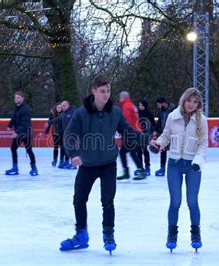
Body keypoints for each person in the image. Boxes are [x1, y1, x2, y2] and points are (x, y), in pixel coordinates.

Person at [60, 74, 149, 254]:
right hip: (87, 165)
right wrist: (74, 154)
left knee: (107, 201)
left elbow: (129, 132)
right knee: (79, 199)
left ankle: (108, 234)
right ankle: (81, 235)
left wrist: (148, 140)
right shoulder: (81, 113)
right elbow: (69, 136)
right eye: (102, 91)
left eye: (108, 91)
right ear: (93, 91)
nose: (106, 94)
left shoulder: (115, 112)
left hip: (108, 164)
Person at [150, 87, 208, 253]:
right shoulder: (172, 116)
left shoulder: (201, 120)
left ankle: (196, 234)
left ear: (198, 104)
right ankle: (172, 235)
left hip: (193, 166)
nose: (191, 104)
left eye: (195, 102)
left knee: (192, 202)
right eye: (189, 100)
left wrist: (198, 162)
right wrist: (159, 143)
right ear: (184, 100)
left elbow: (203, 143)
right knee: (175, 202)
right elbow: (166, 135)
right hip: (174, 164)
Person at [5, 91, 38, 176]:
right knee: (13, 148)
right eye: (15, 97)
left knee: (29, 150)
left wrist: (17, 132)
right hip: (19, 132)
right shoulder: (16, 108)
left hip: (26, 132)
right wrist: (9, 125)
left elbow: (25, 123)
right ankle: (15, 168)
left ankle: (34, 168)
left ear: (22, 99)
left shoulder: (25, 109)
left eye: (18, 97)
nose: (16, 99)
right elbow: (13, 118)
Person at [117, 91, 146, 181]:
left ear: (122, 98)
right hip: (135, 132)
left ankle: (132, 171)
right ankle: (137, 170)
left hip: (131, 133)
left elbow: (126, 120)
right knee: (130, 152)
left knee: (124, 152)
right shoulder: (130, 105)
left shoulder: (126, 106)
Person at [45, 100, 77, 169]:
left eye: (63, 106)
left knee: (71, 148)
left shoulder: (74, 111)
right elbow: (57, 119)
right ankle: (66, 162)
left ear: (67, 105)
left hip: (73, 133)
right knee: (67, 148)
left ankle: (73, 164)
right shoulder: (63, 114)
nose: (62, 108)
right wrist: (49, 122)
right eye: (61, 106)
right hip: (66, 133)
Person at [154, 96, 175, 176]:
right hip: (164, 133)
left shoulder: (173, 110)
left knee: (174, 150)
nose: (158, 106)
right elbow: (159, 121)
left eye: (159, 104)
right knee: (162, 150)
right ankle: (162, 168)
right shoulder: (162, 111)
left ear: (163, 103)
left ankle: (174, 168)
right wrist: (156, 131)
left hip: (173, 133)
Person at [135, 99, 156, 176]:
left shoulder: (148, 113)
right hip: (138, 134)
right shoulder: (137, 112)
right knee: (138, 151)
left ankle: (147, 167)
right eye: (139, 105)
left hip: (146, 134)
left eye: (142, 105)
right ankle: (140, 167)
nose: (140, 107)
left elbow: (153, 123)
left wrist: (151, 132)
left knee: (145, 151)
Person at [46, 103, 65, 167]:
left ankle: (61, 160)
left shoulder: (64, 113)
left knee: (62, 147)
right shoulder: (53, 114)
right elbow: (49, 122)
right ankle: (55, 159)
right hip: (55, 133)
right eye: (57, 107)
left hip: (63, 133)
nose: (59, 109)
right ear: (56, 108)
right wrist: (47, 130)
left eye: (60, 107)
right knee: (55, 147)